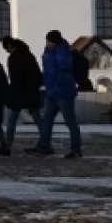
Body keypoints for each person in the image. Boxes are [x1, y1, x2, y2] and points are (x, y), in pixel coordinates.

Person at [28, 30, 83, 159]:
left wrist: (54, 55)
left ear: (54, 42)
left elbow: (63, 66)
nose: (47, 44)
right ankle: (43, 146)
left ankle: (76, 149)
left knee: (70, 122)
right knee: (46, 121)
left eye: (49, 41)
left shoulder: (63, 52)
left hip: (63, 91)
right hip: (52, 91)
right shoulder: (49, 52)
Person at [2, 37, 43, 153]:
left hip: (18, 93)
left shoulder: (14, 58)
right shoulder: (28, 56)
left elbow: (16, 78)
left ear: (10, 46)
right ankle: (45, 142)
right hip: (29, 92)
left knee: (12, 120)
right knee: (38, 120)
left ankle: (7, 145)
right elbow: (36, 75)